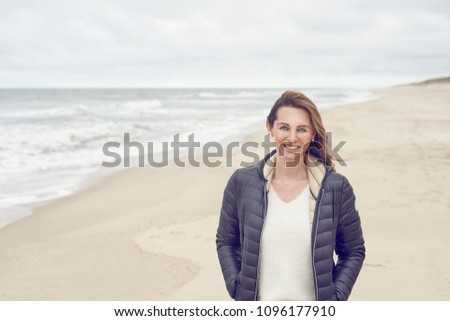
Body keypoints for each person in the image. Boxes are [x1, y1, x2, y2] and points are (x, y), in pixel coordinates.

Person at [216, 90, 365, 301]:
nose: (292, 138)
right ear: (270, 128)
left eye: (302, 129)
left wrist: (336, 299)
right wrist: (237, 287)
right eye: (284, 127)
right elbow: (226, 241)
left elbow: (353, 251)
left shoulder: (336, 188)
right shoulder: (241, 183)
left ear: (312, 133)